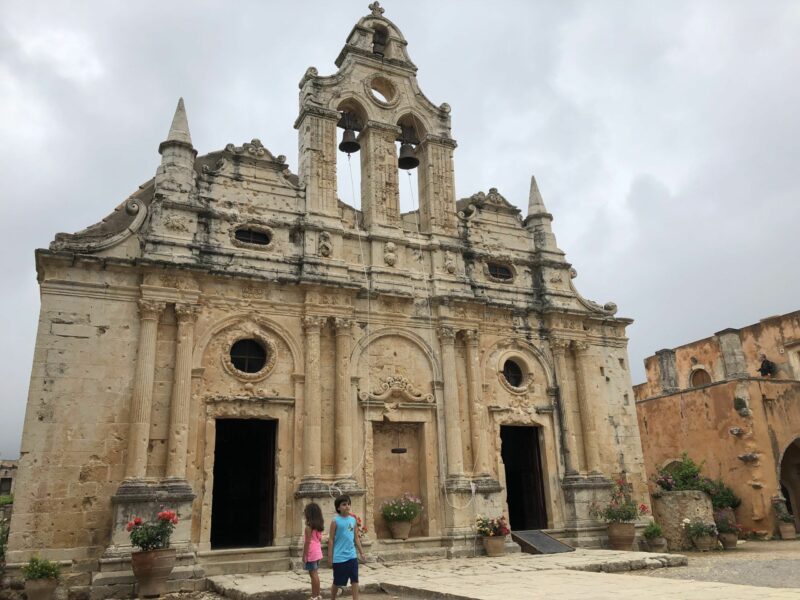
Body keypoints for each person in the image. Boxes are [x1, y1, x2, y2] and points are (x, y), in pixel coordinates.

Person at [329, 495, 365, 600]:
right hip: (339, 557)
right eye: (344, 504)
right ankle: (332, 598)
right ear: (338, 507)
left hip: (352, 556)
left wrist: (361, 552)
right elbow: (331, 539)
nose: (347, 506)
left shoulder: (353, 520)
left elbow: (356, 538)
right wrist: (330, 558)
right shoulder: (335, 521)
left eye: (348, 504)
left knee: (355, 580)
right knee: (337, 582)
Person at [302, 502, 324, 600]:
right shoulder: (318, 527)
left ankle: (314, 596)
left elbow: (307, 542)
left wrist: (304, 555)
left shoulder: (308, 527)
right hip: (318, 551)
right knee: (315, 574)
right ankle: (317, 595)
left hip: (311, 553)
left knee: (313, 575)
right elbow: (319, 539)